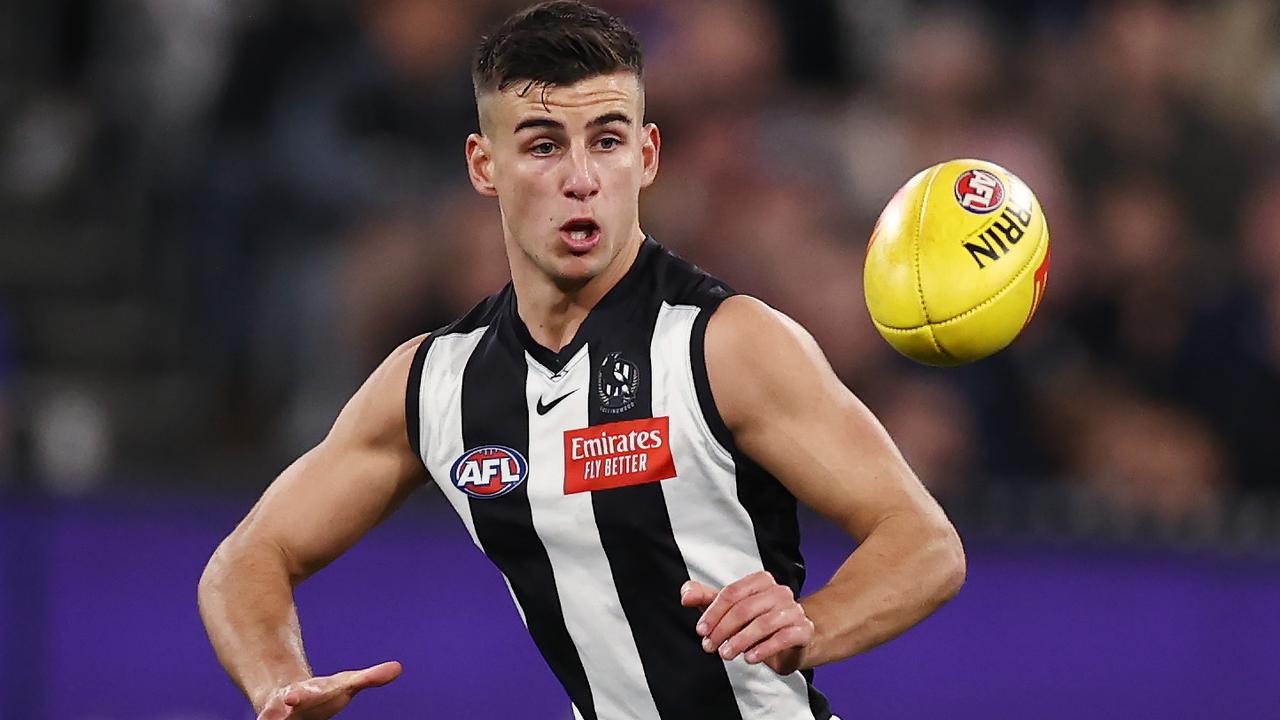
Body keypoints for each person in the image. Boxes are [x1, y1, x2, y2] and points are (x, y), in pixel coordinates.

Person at [197, 3, 966, 719]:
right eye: (541, 146)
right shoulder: (435, 384)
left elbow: (924, 544)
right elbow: (247, 560)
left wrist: (815, 624)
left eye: (607, 139)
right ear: (482, 164)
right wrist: (279, 682)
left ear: (647, 153)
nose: (581, 179)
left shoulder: (727, 343)